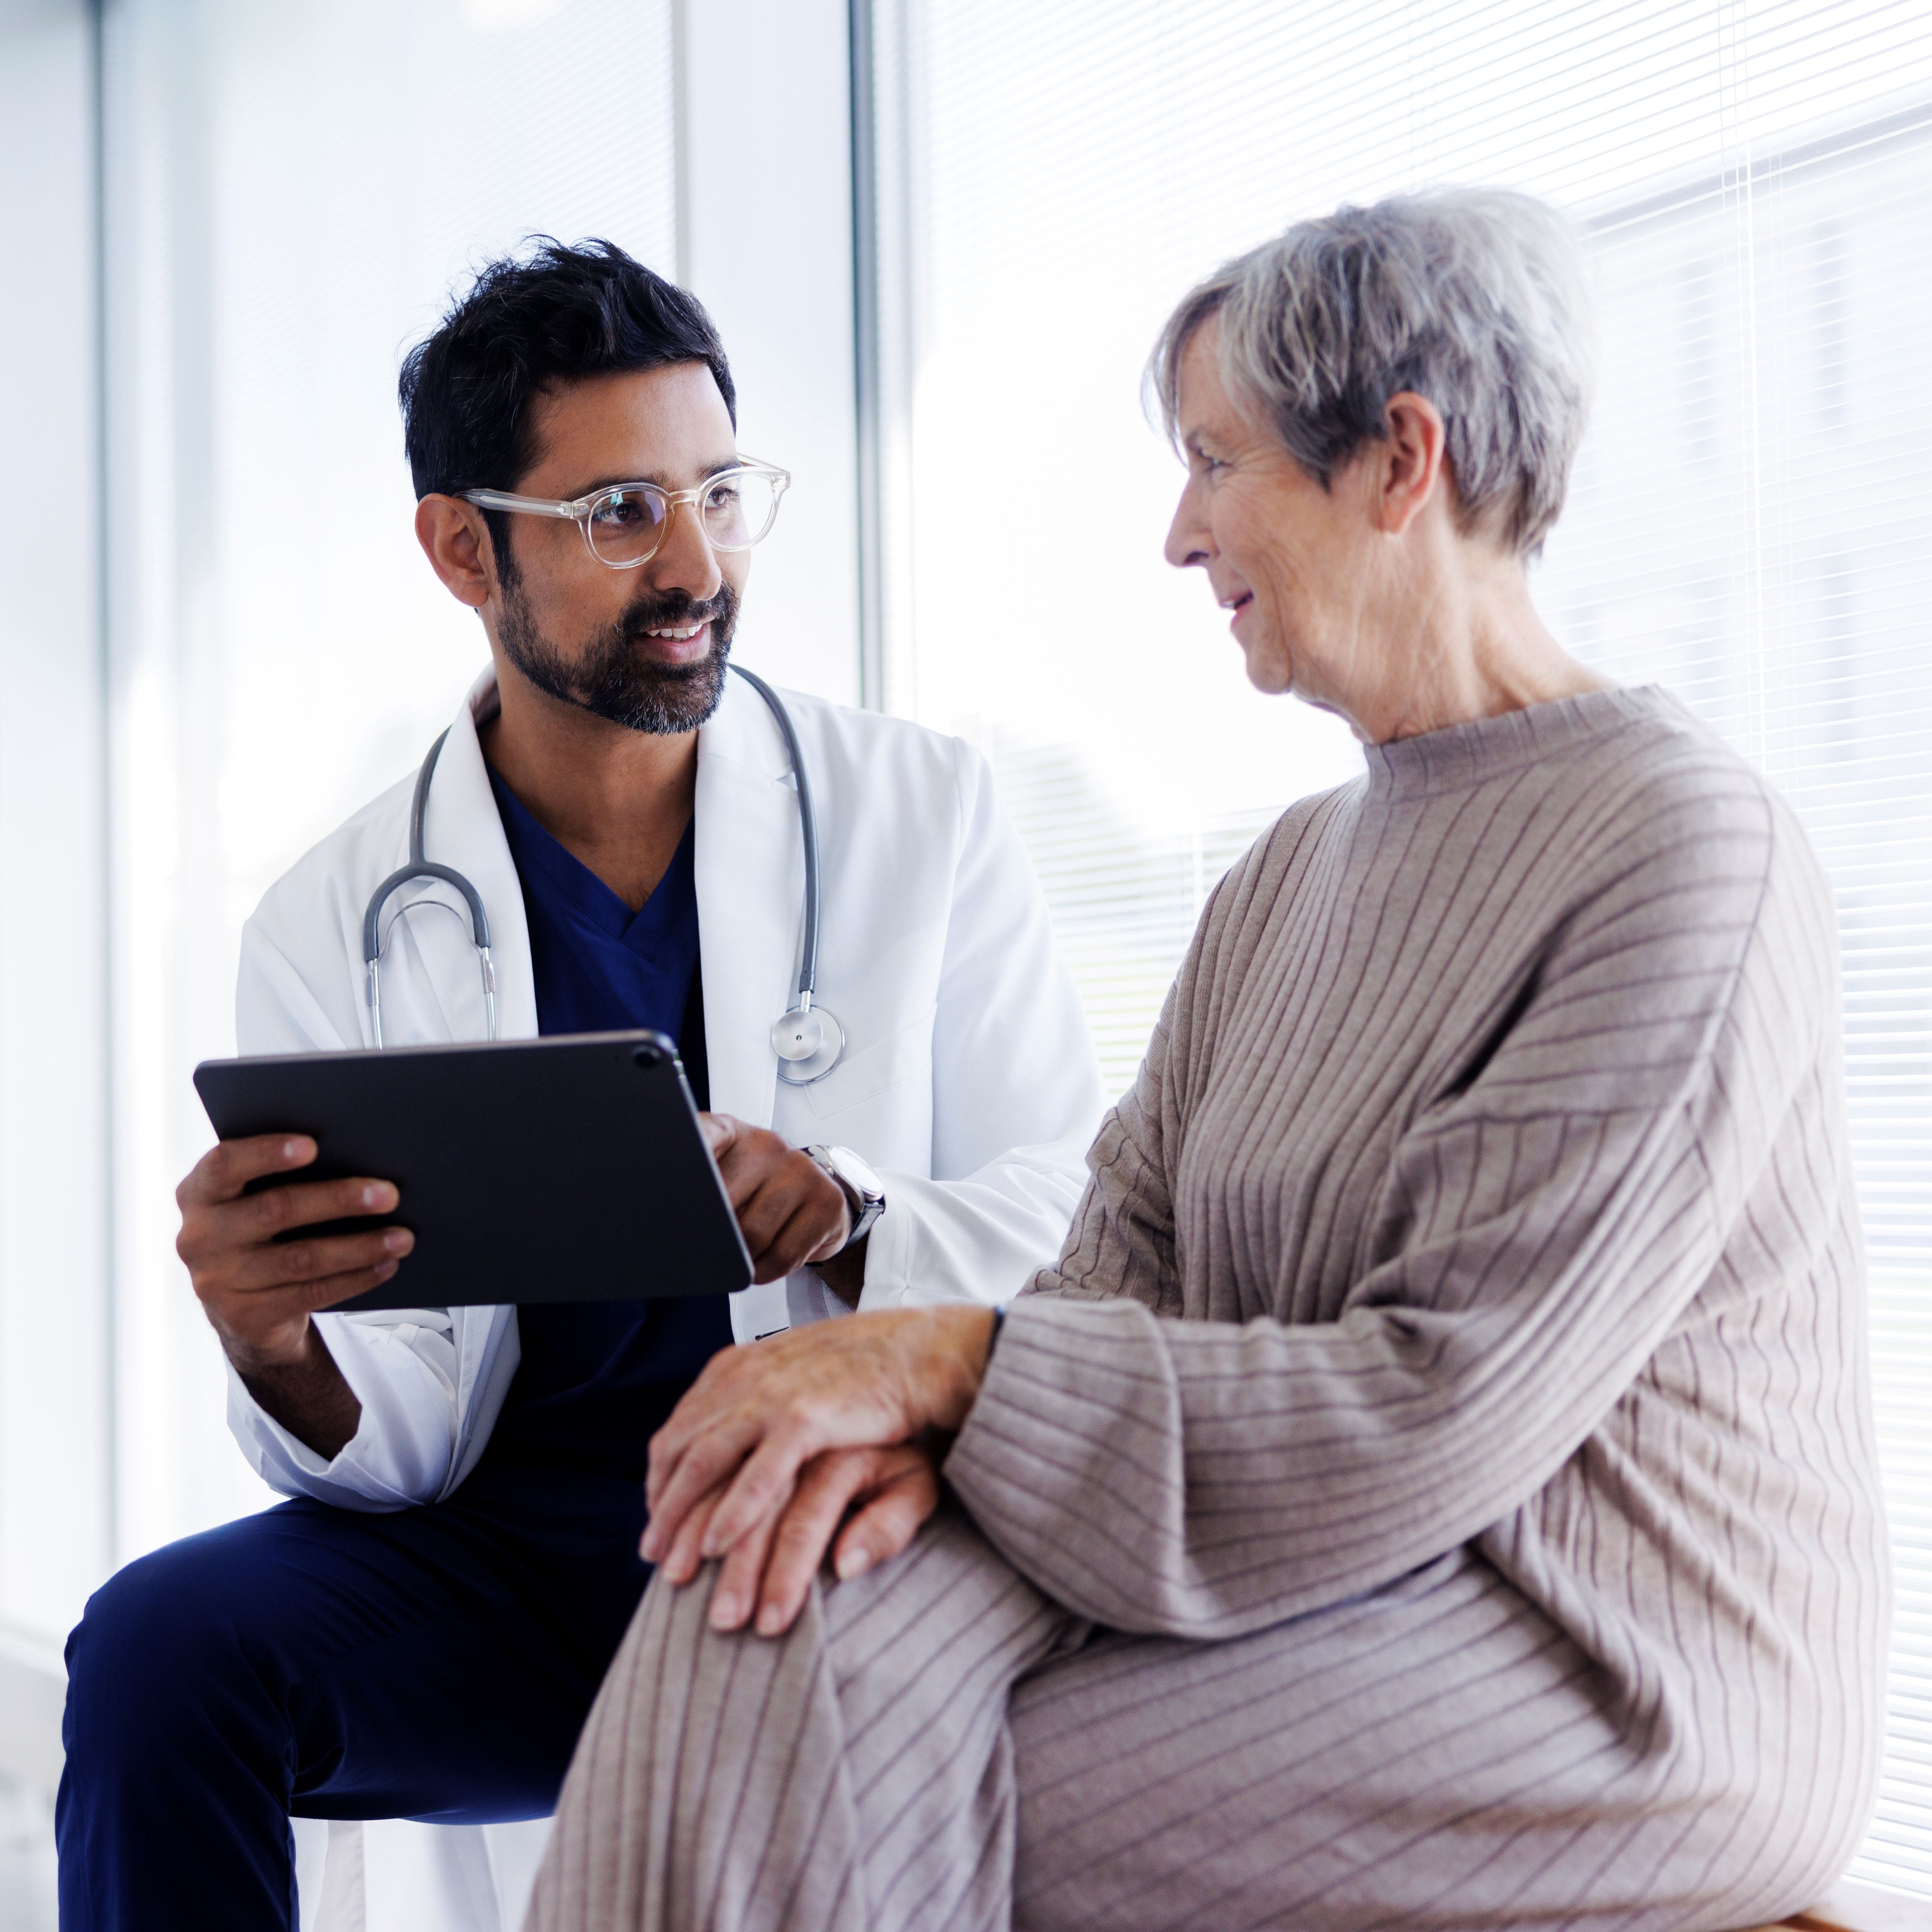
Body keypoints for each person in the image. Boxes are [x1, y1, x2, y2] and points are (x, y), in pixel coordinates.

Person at [524, 191, 1890, 1932]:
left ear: (1401, 460)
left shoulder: (1682, 851)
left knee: (884, 1787)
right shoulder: (1286, 879)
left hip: (1604, 1662)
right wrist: (908, 1425)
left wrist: (946, 1372)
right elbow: (1118, 1271)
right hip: (1298, 1571)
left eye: (1214, 458)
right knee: (757, 1596)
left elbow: (1436, 1402)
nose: (1179, 534)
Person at [55, 239, 1106, 1931]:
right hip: (504, 1570)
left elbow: (1078, 1215)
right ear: (465, 549)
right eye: (619, 512)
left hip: (816, 1514)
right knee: (160, 1658)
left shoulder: (923, 813)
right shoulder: (335, 922)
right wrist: (275, 1345)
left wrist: (855, 1208)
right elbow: (388, 1447)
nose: (695, 560)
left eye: (719, 492)